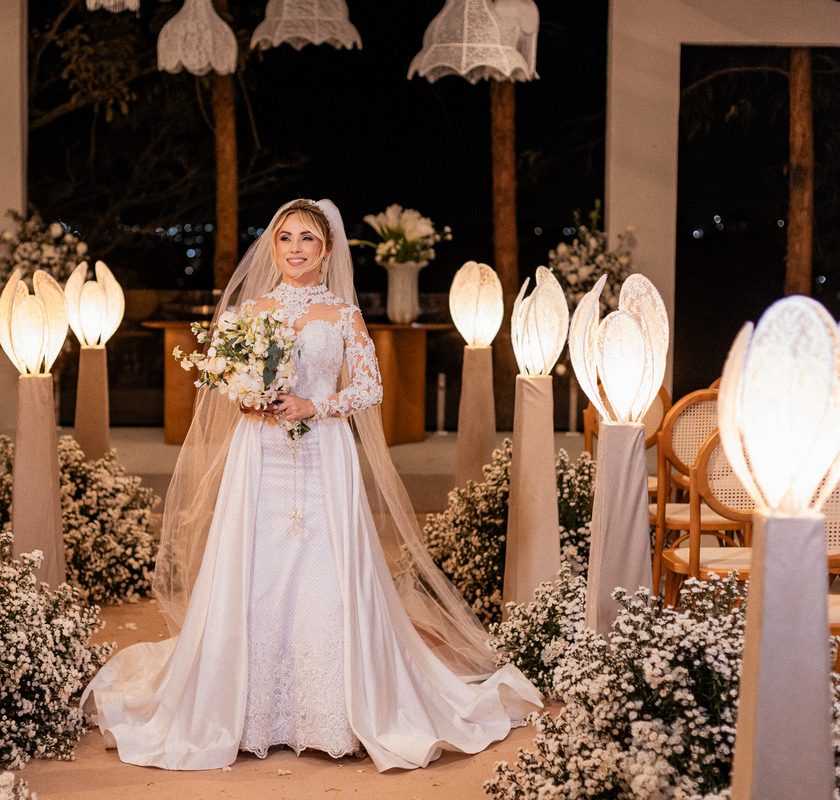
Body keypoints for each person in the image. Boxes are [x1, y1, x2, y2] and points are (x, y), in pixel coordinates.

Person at [82, 199, 541, 772]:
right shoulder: (252, 311)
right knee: (258, 566)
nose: (295, 248)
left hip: (324, 454)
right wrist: (247, 394)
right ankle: (250, 712)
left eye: (307, 239)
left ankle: (335, 713)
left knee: (325, 567)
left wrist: (313, 404)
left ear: (326, 251)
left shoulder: (343, 315)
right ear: (272, 249)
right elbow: (227, 384)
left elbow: (369, 388)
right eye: (285, 238)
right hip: (261, 454)